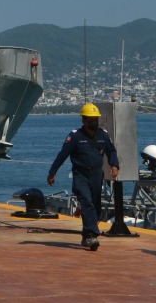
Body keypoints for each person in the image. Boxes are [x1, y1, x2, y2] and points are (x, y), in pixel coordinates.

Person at [47, 102, 119, 251]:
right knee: (87, 202)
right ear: (84, 120)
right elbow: (63, 154)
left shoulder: (103, 135)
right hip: (81, 175)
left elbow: (111, 151)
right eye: (90, 119)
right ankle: (92, 234)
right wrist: (52, 172)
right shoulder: (75, 136)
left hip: (97, 175)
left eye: (95, 119)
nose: (94, 122)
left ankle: (87, 236)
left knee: (95, 205)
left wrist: (114, 165)